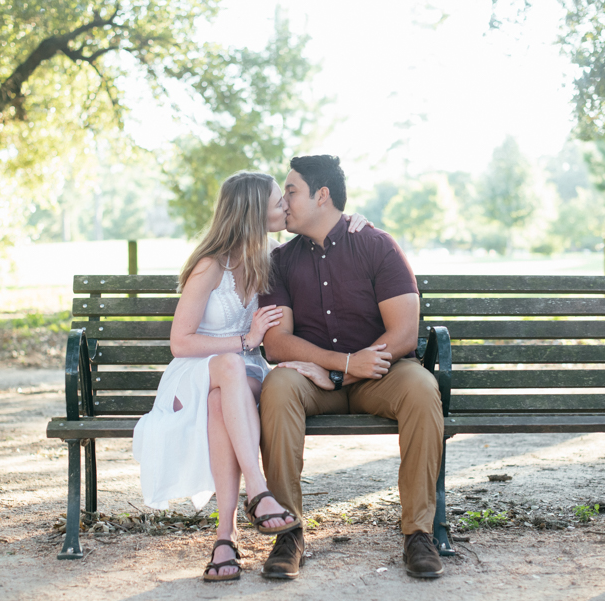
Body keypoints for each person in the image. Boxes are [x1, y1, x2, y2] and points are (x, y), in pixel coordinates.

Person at [132, 171, 371, 582]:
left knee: (222, 400)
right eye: (278, 200)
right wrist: (245, 339)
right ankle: (259, 493)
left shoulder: (271, 256)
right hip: (195, 371)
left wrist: (353, 222)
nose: (285, 206)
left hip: (238, 378)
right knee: (227, 370)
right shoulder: (210, 266)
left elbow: (325, 235)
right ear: (251, 210)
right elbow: (180, 342)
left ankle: (225, 537)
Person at [258, 155, 446, 580]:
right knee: (278, 385)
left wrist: (351, 370)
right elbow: (276, 342)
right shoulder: (280, 260)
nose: (284, 201)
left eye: (291, 191)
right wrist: (338, 364)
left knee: (420, 386)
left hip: (380, 374)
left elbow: (403, 333)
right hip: (312, 379)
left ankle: (418, 533)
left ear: (321, 195)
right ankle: (288, 533)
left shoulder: (375, 244)